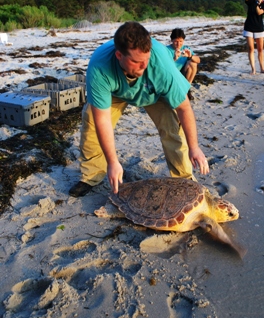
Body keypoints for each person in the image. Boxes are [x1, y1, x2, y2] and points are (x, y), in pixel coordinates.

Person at [69, 21, 209, 197]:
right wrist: (113, 162)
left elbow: (184, 108)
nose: (144, 66)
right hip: (116, 91)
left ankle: (184, 178)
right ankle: (92, 175)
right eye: (137, 61)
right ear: (119, 55)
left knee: (173, 127)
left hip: (154, 92)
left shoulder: (160, 65)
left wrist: (194, 147)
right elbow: (102, 120)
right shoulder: (100, 67)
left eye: (146, 59)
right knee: (90, 121)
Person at [166, 28, 200, 100]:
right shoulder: (167, 50)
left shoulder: (186, 48)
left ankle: (187, 89)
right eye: (176, 41)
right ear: (172, 40)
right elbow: (165, 67)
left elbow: (198, 60)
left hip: (183, 74)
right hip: (171, 74)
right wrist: (175, 58)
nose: (178, 44)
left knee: (193, 63)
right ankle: (183, 89)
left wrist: (190, 56)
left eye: (181, 41)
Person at [242, 0, 264, 75]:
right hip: (249, 27)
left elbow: (259, 12)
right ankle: (253, 69)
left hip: (259, 28)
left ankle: (262, 68)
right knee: (251, 49)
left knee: (260, 49)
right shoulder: (251, 1)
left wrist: (258, 2)